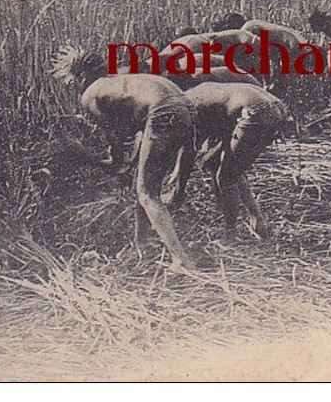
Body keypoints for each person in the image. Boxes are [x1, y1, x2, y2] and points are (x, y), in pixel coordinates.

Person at [50, 44, 200, 270]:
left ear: (81, 76)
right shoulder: (121, 79)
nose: (72, 87)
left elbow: (118, 136)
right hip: (187, 108)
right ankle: (142, 243)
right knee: (142, 182)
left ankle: (180, 259)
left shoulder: (91, 94)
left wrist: (107, 161)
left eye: (72, 81)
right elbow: (130, 129)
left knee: (147, 193)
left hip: (163, 113)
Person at [184, 82, 293, 240]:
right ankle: (257, 220)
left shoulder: (190, 105)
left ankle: (230, 233)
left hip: (256, 112)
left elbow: (194, 148)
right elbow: (220, 138)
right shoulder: (201, 93)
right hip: (275, 108)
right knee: (231, 169)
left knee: (226, 175)